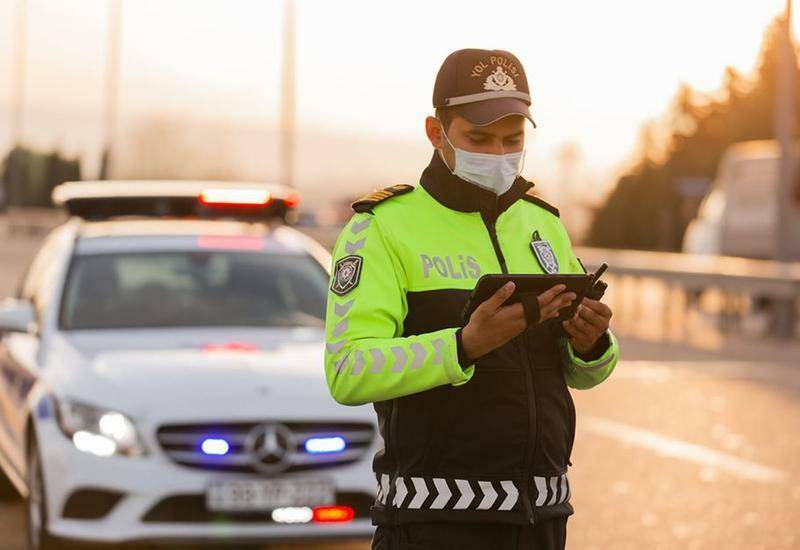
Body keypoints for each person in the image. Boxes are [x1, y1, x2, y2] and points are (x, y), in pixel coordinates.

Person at [323, 48, 620, 550]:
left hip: (543, 518)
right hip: (434, 523)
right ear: (436, 133)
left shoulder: (542, 223)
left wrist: (591, 344)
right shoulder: (380, 227)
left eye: (513, 139)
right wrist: (461, 346)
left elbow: (581, 373)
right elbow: (348, 370)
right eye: (478, 138)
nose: (499, 153)